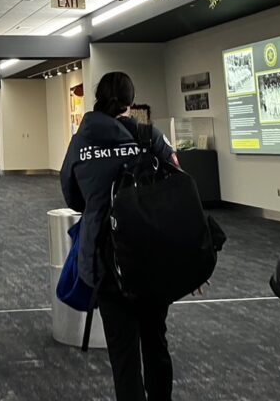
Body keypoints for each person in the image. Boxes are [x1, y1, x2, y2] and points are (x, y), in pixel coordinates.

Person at [60, 72, 178, 401]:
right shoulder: (148, 137)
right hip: (151, 257)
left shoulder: (81, 141)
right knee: (156, 342)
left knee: (123, 356)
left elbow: (72, 197)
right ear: (130, 100)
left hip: (106, 260)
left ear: (98, 97)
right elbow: (179, 188)